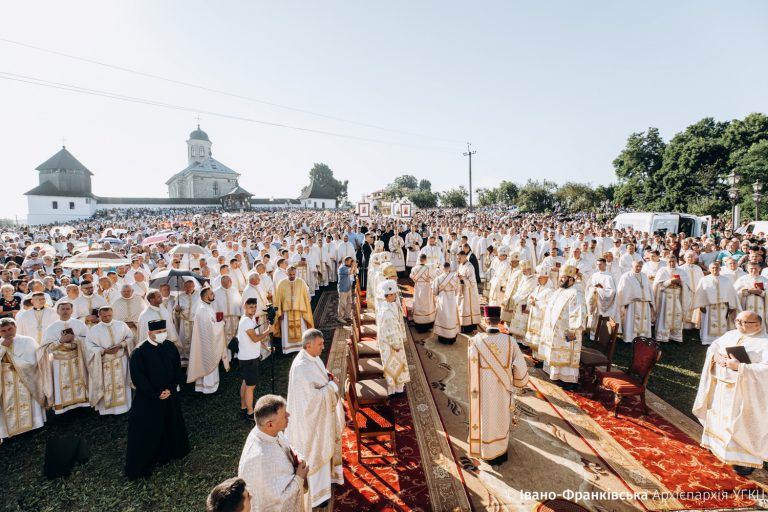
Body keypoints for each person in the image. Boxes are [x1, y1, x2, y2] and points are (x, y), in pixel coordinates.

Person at [693, 310, 768, 476]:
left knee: (738, 423)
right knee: (719, 418)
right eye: (738, 321)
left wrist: (740, 367)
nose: (739, 325)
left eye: (744, 322)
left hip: (744, 393)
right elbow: (714, 346)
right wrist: (715, 357)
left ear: (757, 324)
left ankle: (743, 461)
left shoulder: (764, 343)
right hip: (721, 388)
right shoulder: (730, 334)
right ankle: (716, 446)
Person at [285, 329, 344, 508]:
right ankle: (319, 496)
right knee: (316, 454)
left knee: (327, 448)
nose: (323, 347)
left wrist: (328, 377)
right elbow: (311, 400)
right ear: (308, 345)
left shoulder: (313, 357)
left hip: (321, 417)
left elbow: (320, 375)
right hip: (310, 423)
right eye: (320, 344)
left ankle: (331, 478)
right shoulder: (301, 367)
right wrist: (332, 387)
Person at [125, 319, 190, 479]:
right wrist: (155, 393)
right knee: (149, 429)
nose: (161, 335)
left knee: (171, 423)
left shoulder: (170, 347)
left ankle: (171, 452)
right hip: (149, 399)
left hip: (170, 395)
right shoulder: (139, 352)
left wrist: (171, 387)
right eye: (158, 332)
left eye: (163, 332)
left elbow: (177, 369)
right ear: (149, 334)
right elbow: (138, 377)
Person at [467, 306, 529, 465]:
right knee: (501, 416)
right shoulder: (510, 341)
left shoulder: (475, 341)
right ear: (500, 321)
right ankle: (500, 452)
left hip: (482, 387)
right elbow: (520, 367)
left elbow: (471, 366)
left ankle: (486, 450)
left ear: (485, 320)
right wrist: (519, 382)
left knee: (485, 416)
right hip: (503, 386)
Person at [238, 394, 309, 511]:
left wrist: (297, 458)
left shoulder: (267, 432)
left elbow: (286, 446)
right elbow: (276, 501)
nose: (288, 415)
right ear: (270, 424)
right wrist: (299, 478)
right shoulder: (259, 460)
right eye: (284, 415)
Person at [536, 265, 586, 389]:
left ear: (571, 279)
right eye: (561, 277)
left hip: (567, 331)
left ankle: (567, 379)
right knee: (554, 352)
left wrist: (572, 331)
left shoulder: (576, 292)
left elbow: (578, 312)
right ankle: (554, 373)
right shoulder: (560, 290)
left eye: (563, 278)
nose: (561, 280)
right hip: (555, 329)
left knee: (566, 355)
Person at [38, 301, 89, 414]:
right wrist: (60, 341)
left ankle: (82, 404)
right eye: (63, 309)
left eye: (67, 309)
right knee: (62, 383)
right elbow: (46, 347)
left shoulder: (79, 324)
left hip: (77, 358)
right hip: (59, 362)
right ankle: (64, 407)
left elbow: (88, 340)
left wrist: (76, 339)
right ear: (57, 311)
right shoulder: (52, 327)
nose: (65, 311)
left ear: (72, 310)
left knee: (79, 380)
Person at [0, 317, 46, 439]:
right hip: (6, 382)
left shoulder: (27, 341)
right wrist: (3, 348)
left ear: (15, 327)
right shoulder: (0, 344)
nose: (7, 333)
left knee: (29, 402)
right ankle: (11, 430)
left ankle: (34, 425)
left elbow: (34, 362)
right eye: (3, 331)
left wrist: (15, 364)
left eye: (10, 329)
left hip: (26, 379)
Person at [85, 306, 134, 415]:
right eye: (104, 316)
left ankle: (124, 407)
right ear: (99, 315)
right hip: (104, 362)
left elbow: (130, 338)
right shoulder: (94, 330)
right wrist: (102, 350)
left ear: (113, 314)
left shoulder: (121, 325)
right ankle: (106, 410)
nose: (107, 318)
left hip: (121, 360)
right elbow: (89, 345)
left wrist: (121, 345)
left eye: (109, 315)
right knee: (106, 385)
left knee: (123, 382)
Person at [187, 286, 229, 394]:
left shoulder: (208, 306)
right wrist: (221, 323)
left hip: (208, 341)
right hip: (206, 342)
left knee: (206, 362)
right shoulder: (202, 310)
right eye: (211, 294)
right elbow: (210, 329)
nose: (213, 295)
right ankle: (208, 386)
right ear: (205, 296)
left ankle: (207, 385)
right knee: (207, 361)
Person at [237, 298, 272, 419]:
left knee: (246, 383)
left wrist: (266, 348)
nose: (253, 309)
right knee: (251, 386)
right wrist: (268, 331)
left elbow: (255, 338)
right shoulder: (246, 321)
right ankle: (250, 413)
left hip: (247, 357)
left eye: (255, 307)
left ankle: (243, 407)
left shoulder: (249, 319)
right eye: (251, 307)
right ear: (245, 307)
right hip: (249, 359)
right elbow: (255, 338)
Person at [376, 280, 411, 396]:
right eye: (394, 294)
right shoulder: (387, 313)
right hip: (391, 346)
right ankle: (395, 390)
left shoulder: (385, 305)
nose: (396, 296)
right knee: (394, 366)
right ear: (389, 295)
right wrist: (397, 345)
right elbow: (391, 332)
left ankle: (395, 388)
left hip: (387, 344)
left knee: (393, 366)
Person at [693, 262, 740, 345]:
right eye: (713, 268)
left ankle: (721, 339)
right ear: (709, 269)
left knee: (722, 322)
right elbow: (700, 293)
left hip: (722, 306)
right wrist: (701, 305)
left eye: (717, 268)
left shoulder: (726, 280)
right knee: (707, 323)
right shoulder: (704, 279)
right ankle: (707, 340)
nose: (715, 269)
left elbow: (731, 293)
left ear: (720, 269)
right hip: (708, 306)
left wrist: (732, 306)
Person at [272, 266, 314, 355]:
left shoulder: (301, 282)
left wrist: (304, 309)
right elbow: (278, 299)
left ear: (296, 273)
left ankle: (300, 347)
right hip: (286, 313)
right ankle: (288, 349)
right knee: (287, 330)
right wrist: (280, 312)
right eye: (290, 274)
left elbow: (306, 296)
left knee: (301, 329)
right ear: (287, 273)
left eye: (294, 274)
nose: (292, 276)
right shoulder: (281, 283)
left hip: (299, 311)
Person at [652, 254, 692, 343]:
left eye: (673, 261)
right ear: (666, 262)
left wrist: (680, 282)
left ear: (676, 261)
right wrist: (670, 281)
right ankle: (662, 336)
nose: (671, 263)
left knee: (677, 315)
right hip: (665, 298)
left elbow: (687, 286)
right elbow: (658, 286)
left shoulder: (682, 272)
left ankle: (675, 336)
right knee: (664, 316)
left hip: (677, 297)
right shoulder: (662, 271)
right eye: (669, 261)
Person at [617, 260, 655, 343]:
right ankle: (630, 338)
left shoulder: (644, 275)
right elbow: (622, 290)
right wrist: (627, 301)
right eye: (636, 266)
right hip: (632, 304)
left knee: (644, 321)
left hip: (644, 303)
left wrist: (650, 300)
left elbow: (648, 288)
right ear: (632, 266)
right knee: (632, 321)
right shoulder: (626, 276)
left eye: (640, 266)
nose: (638, 268)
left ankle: (643, 338)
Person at [585, 258, 618, 341]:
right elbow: (588, 287)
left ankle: (601, 336)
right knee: (593, 317)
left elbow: (612, 291)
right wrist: (594, 289)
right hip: (594, 301)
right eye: (597, 264)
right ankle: (592, 335)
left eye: (600, 264)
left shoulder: (609, 276)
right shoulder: (594, 275)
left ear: (605, 265)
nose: (598, 266)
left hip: (602, 302)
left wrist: (600, 290)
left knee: (600, 318)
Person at [524, 269, 554, 352]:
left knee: (539, 338)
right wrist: (530, 300)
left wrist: (536, 303)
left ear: (546, 278)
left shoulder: (550, 290)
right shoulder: (537, 288)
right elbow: (531, 296)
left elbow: (549, 305)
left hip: (542, 318)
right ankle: (534, 354)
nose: (538, 279)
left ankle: (540, 358)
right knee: (533, 338)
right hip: (534, 315)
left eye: (540, 278)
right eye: (538, 278)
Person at [175, 279, 199, 366]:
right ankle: (185, 362)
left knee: (195, 341)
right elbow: (175, 314)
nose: (188, 288)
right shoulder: (180, 297)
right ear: (184, 287)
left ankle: (195, 361)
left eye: (190, 286)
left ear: (194, 286)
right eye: (186, 286)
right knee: (184, 341)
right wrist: (177, 310)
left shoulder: (199, 295)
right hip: (184, 323)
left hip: (195, 322)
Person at [410, 254, 436, 332]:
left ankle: (419, 323)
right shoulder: (428, 268)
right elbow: (433, 277)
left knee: (418, 303)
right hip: (426, 288)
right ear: (426, 260)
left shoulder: (414, 269)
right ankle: (428, 323)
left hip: (418, 287)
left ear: (419, 259)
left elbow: (412, 277)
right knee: (427, 304)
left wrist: (418, 281)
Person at [457, 250, 481, 333]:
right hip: (462, 290)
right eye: (458, 258)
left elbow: (473, 283)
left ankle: (469, 327)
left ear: (464, 256)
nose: (458, 259)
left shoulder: (470, 267)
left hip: (469, 292)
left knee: (467, 308)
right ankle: (462, 325)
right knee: (461, 308)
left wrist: (462, 278)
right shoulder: (461, 265)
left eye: (460, 258)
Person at [336, 256, 356, 324]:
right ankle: (340, 318)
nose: (351, 263)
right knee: (342, 304)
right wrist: (353, 266)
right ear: (346, 261)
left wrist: (354, 266)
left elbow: (355, 272)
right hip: (343, 289)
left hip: (348, 288)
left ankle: (347, 316)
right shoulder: (342, 268)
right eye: (350, 261)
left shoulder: (348, 267)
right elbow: (350, 273)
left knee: (349, 303)